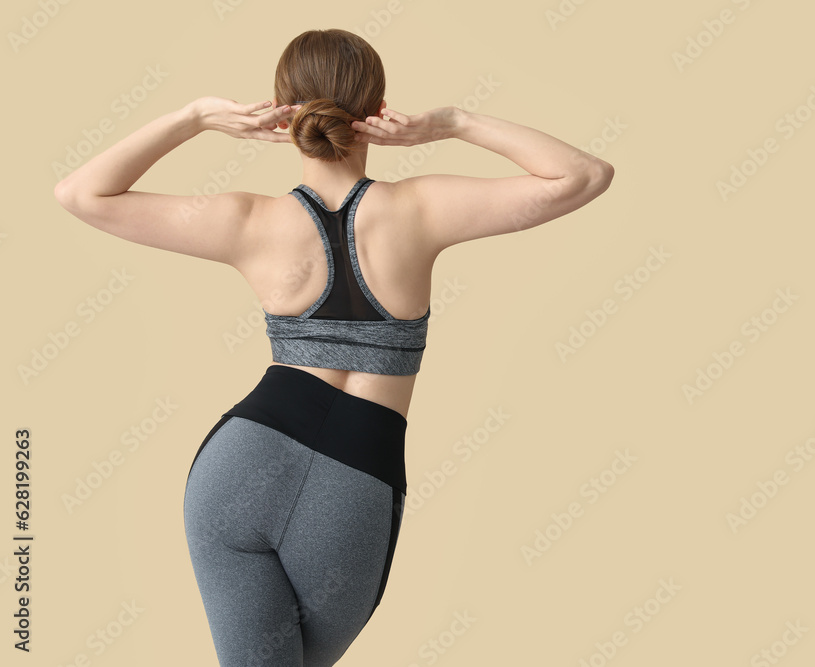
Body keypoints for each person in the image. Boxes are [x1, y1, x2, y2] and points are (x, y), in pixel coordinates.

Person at [53, 27, 613, 667]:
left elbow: (80, 194)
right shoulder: (423, 209)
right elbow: (585, 175)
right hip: (355, 479)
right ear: (378, 111)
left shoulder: (247, 221)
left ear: (280, 110)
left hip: (237, 469)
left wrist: (196, 118)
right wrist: (456, 122)